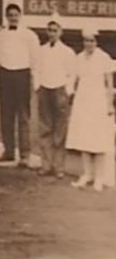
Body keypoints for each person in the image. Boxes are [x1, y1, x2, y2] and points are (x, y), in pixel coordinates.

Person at [67, 29, 116, 191]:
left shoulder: (103, 58)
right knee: (84, 139)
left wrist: (109, 105)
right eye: (86, 40)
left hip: (98, 102)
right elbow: (74, 80)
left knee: (99, 141)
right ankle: (87, 174)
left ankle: (99, 178)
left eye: (92, 41)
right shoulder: (79, 58)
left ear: (97, 41)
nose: (89, 44)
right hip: (83, 101)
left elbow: (109, 84)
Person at [0, 3, 39, 166]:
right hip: (6, 75)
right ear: (6, 17)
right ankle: (8, 151)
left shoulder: (29, 35)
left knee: (23, 116)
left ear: (20, 16)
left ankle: (25, 154)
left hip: (22, 75)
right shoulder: (1, 35)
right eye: (10, 15)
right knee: (6, 115)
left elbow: (35, 58)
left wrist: (32, 77)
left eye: (15, 15)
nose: (13, 18)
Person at [33, 15, 76, 178]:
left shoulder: (67, 52)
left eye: (55, 30)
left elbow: (72, 73)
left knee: (60, 130)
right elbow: (36, 69)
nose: (52, 34)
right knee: (45, 128)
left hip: (60, 91)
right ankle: (46, 164)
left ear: (60, 32)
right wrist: (37, 87)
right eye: (49, 30)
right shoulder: (41, 50)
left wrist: (67, 91)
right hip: (45, 90)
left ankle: (59, 167)